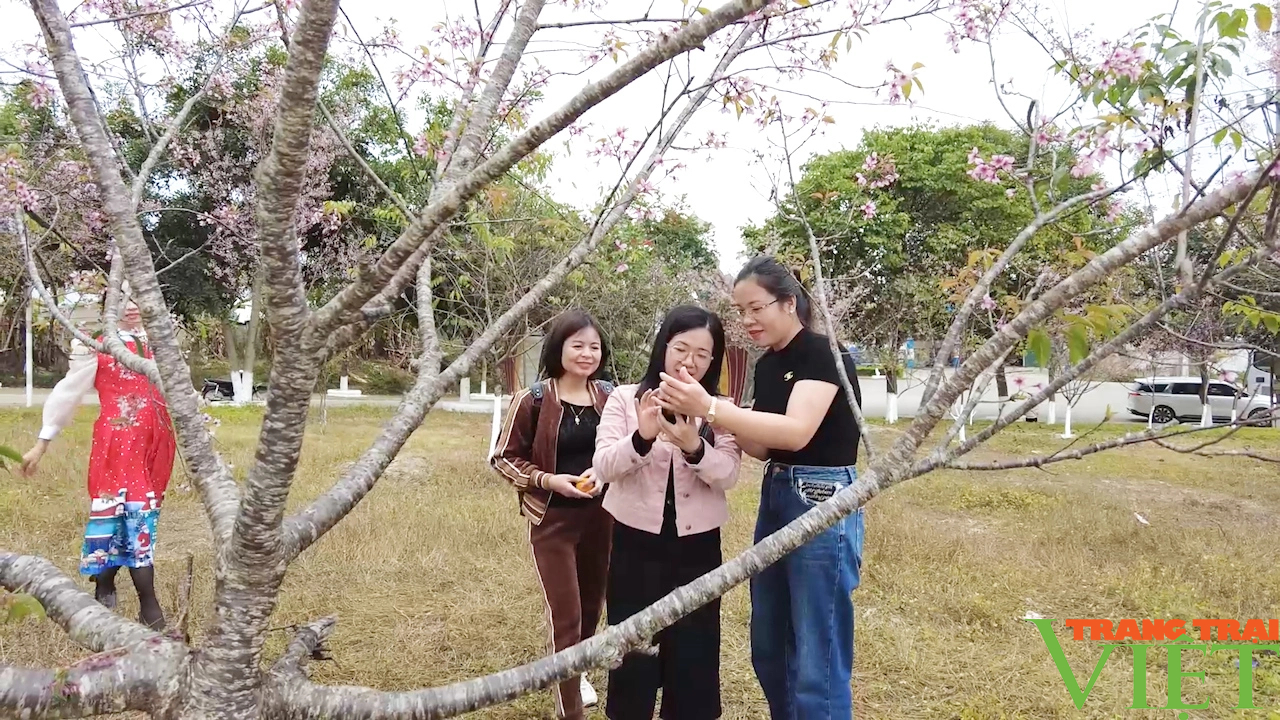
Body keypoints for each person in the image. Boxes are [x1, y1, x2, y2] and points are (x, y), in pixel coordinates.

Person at [653, 256, 866, 720]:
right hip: (777, 492)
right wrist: (700, 425)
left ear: (788, 303)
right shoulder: (768, 365)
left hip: (822, 496)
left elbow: (795, 432)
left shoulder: (822, 353)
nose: (747, 321)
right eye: (740, 311)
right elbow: (764, 447)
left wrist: (712, 408)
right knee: (768, 642)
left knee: (817, 649)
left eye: (756, 308)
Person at [592, 305, 742, 720]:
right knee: (632, 645)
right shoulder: (624, 399)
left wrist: (694, 445)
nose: (689, 361)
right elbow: (603, 466)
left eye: (702, 353)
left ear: (713, 361)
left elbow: (728, 474)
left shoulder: (720, 410)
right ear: (664, 347)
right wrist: (642, 436)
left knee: (693, 648)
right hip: (634, 544)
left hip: (698, 548)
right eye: (681, 348)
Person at [18, 292, 174, 630]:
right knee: (132, 515)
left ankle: (104, 580)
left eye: (139, 297)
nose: (132, 306)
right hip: (117, 446)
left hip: (155, 445)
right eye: (123, 298)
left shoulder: (161, 344)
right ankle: (150, 607)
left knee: (135, 515)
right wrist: (41, 444)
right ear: (109, 306)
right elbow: (67, 393)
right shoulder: (97, 347)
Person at [490, 308, 615, 719]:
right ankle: (570, 710)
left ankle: (574, 670)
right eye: (577, 345)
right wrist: (549, 480)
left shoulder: (610, 399)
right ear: (558, 348)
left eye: (594, 346)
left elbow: (623, 451)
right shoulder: (534, 400)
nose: (586, 353)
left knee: (592, 608)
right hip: (552, 522)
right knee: (567, 613)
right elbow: (504, 459)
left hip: (602, 518)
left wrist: (604, 472)